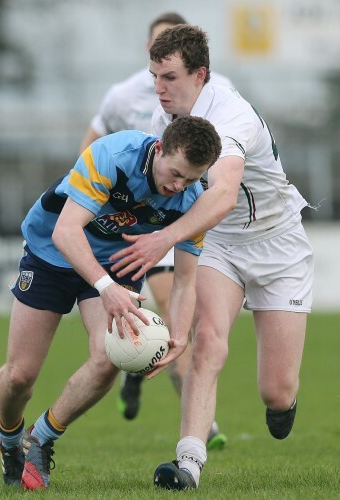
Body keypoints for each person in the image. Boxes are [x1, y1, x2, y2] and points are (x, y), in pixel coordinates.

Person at [109, 25, 314, 490]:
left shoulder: (229, 116)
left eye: (169, 78)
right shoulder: (173, 120)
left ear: (200, 75)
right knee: (206, 341)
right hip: (219, 241)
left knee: (276, 391)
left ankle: (283, 404)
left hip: (277, 243)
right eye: (154, 76)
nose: (158, 88)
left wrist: (162, 241)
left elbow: (221, 194)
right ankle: (188, 465)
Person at [0, 115, 222, 490]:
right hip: (50, 252)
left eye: (192, 179)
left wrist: (180, 335)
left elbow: (184, 280)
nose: (178, 185)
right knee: (19, 376)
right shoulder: (113, 155)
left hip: (116, 262)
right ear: (160, 148)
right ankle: (8, 441)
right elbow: (65, 232)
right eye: (176, 173)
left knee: (109, 356)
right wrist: (105, 287)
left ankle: (41, 438)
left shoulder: (192, 201)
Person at [80, 11, 233, 450]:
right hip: (146, 223)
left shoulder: (222, 99)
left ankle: (177, 398)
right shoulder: (132, 98)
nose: (160, 82)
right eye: (155, 67)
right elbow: (93, 142)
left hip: (189, 219)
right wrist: (86, 194)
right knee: (159, 309)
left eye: (169, 71)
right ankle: (182, 399)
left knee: (182, 311)